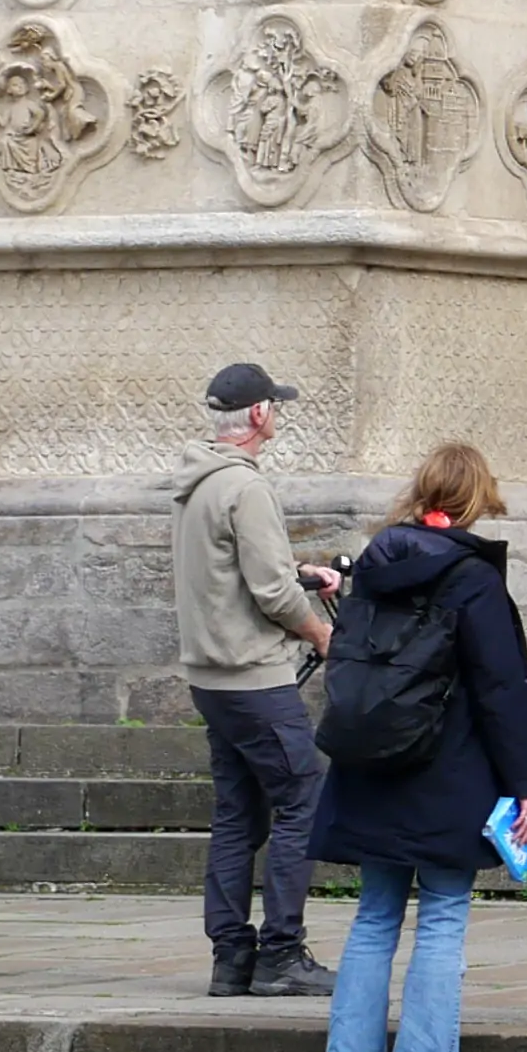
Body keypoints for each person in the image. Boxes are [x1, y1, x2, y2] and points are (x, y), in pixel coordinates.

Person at [312, 442, 527, 1052]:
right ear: (478, 498)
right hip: (447, 771)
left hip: (371, 767)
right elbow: (502, 691)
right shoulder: (472, 579)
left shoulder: (374, 567)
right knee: (443, 914)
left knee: (373, 917)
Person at [173, 360, 337, 999]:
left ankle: (230, 956)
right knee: (304, 795)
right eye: (277, 407)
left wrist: (299, 569)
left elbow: (234, 570)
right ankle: (281, 954)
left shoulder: (197, 484)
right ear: (261, 415)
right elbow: (271, 594)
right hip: (254, 679)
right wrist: (323, 633)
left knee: (238, 812)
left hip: (209, 678)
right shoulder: (247, 488)